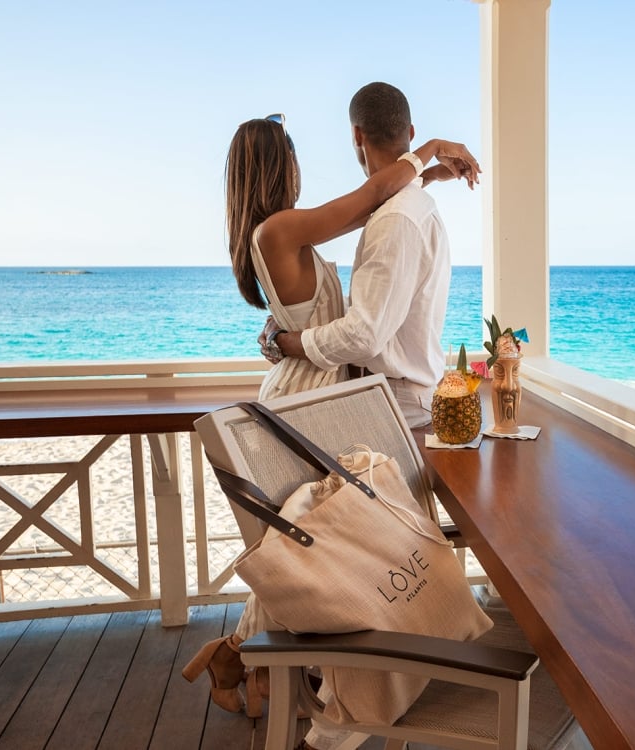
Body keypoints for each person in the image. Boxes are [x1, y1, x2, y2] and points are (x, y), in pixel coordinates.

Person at [182, 86, 480, 750]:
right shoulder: (282, 228)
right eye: (289, 157)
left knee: (302, 538)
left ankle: (246, 661)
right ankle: (290, 675)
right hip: (307, 393)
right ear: (275, 168)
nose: (298, 167)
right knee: (307, 539)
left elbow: (377, 199)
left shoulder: (286, 227)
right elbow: (372, 200)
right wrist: (429, 148)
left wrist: (423, 171)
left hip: (317, 386)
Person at [264, 81, 461, 429]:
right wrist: (425, 170)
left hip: (395, 402)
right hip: (394, 396)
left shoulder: (396, 217)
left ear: (357, 135)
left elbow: (362, 335)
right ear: (411, 132)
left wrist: (286, 341)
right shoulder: (406, 209)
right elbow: (374, 199)